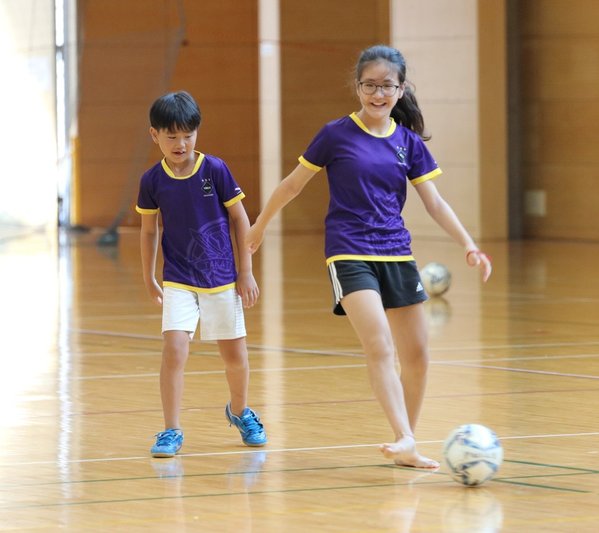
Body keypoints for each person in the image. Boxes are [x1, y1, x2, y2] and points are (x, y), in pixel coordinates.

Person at [245, 45, 492, 468]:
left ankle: (406, 445)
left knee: (417, 357)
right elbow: (291, 185)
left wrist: (469, 244)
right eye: (369, 86)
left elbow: (434, 203)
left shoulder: (408, 142)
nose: (377, 94)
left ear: (401, 89)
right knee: (378, 345)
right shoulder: (335, 134)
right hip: (347, 251)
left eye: (386, 86)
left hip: (396, 253)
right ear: (357, 87)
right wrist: (260, 225)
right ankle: (404, 437)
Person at [136, 91, 267, 457]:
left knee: (234, 356)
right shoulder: (152, 180)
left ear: (197, 132)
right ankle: (171, 430)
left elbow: (240, 220)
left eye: (188, 135)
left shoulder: (216, 170)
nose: (181, 143)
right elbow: (149, 231)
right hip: (179, 278)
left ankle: (241, 412)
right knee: (174, 349)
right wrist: (149, 276)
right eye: (171, 136)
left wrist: (247, 272)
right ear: (154, 135)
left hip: (223, 278)